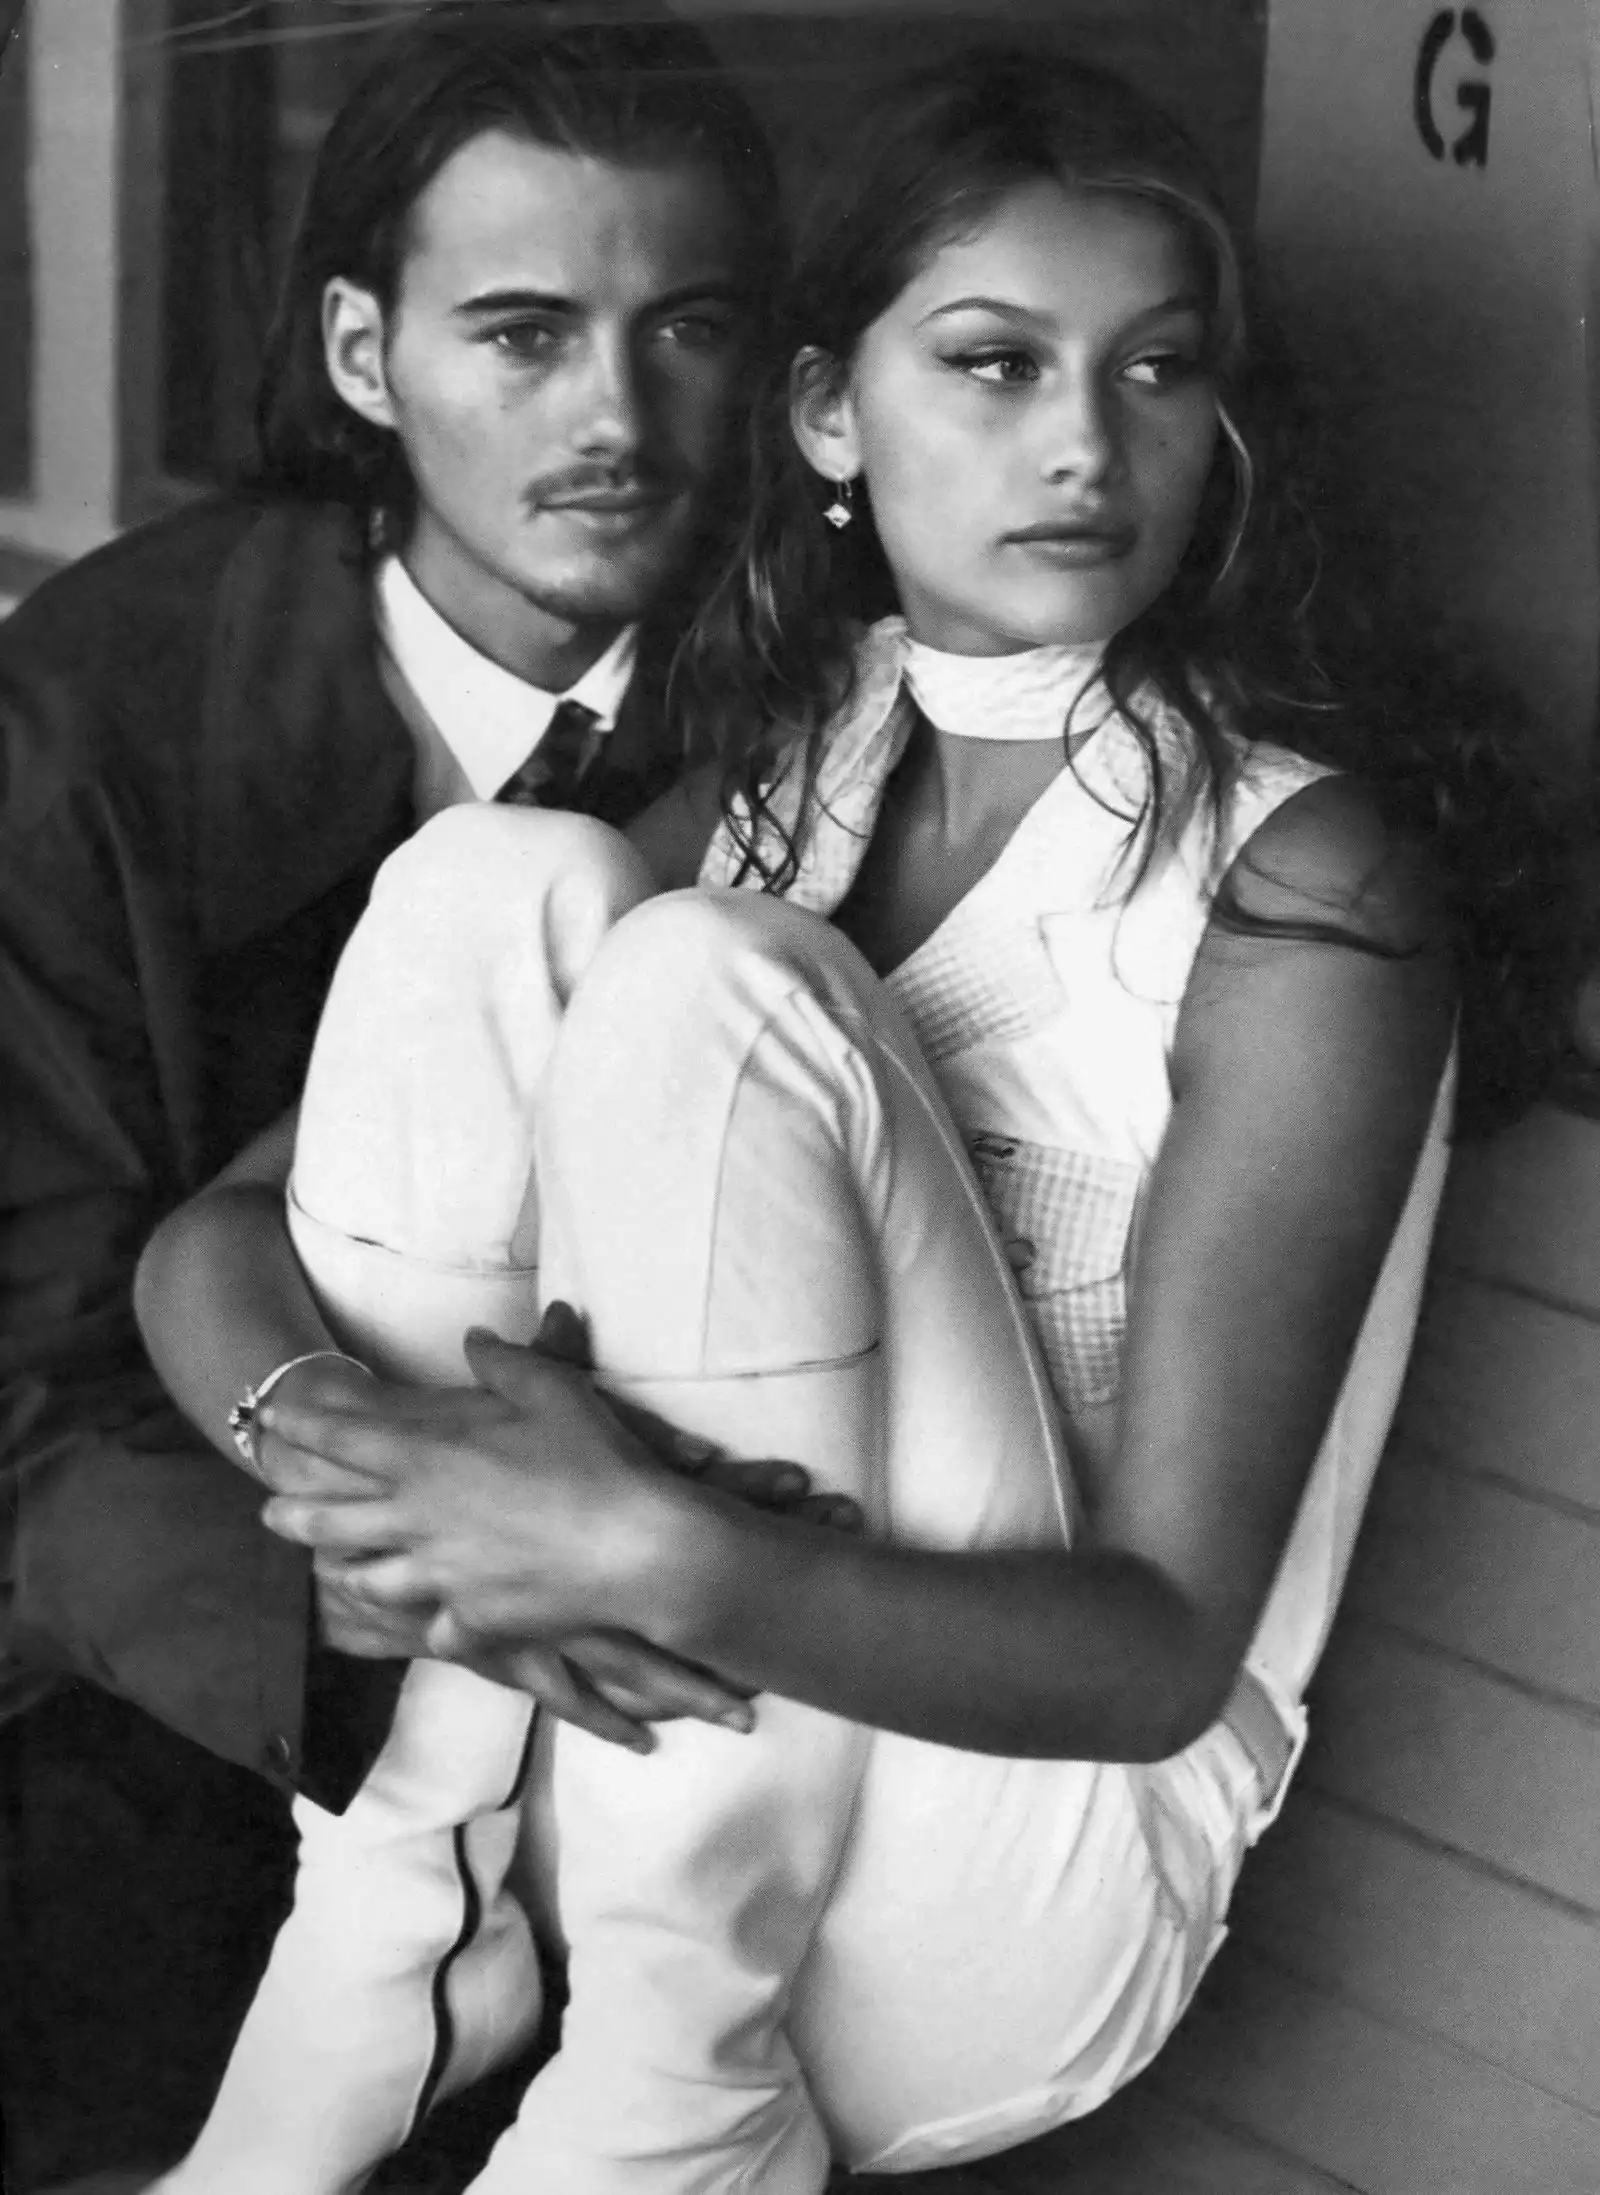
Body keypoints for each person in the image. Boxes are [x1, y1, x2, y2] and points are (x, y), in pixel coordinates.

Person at [135, 43, 1566, 2195]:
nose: (1083, 443)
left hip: (1010, 1873)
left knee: (714, 977)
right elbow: (211, 1251)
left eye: (1156, 369)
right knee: (492, 884)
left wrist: (648, 1549)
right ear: (827, 411)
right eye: (993, 363)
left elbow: (1156, 1655)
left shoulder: (1295, 880)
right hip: (614, 1778)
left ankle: (670, 2114)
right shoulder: (804, 756)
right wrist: (362, 1470)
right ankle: (391, 1936)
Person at [0, 6, 781, 2182]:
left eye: (687, 328)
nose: (613, 417)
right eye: (521, 334)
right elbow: (21, 1383)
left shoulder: (820, 689)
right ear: (364, 353)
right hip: (197, 1661)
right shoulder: (80, 732)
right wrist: (356, 1571)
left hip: (691, 1663)